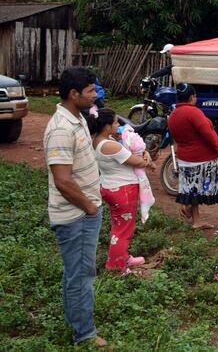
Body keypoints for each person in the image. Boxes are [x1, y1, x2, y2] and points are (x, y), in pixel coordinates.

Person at [43, 67, 107, 347]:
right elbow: (63, 182)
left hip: (82, 213)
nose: (95, 95)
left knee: (76, 274)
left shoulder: (77, 118)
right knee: (81, 276)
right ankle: (85, 335)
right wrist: (90, 208)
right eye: (91, 90)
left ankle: (77, 323)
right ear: (74, 94)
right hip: (76, 217)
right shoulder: (60, 129)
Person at [90, 108, 154, 274]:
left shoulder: (99, 141)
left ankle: (123, 257)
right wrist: (145, 158)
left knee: (119, 227)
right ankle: (117, 266)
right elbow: (136, 162)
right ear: (107, 126)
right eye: (116, 122)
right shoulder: (111, 146)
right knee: (123, 230)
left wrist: (143, 154)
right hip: (122, 190)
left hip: (111, 187)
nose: (118, 125)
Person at [167, 82, 218, 228]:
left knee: (193, 190)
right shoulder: (194, 112)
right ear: (192, 97)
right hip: (201, 159)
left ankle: (196, 220)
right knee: (202, 187)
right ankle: (188, 208)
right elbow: (208, 133)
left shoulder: (173, 114)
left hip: (185, 158)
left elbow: (175, 136)